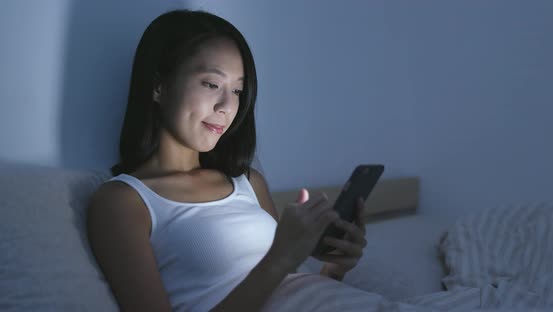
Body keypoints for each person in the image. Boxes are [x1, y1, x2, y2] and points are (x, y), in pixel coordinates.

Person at [86, 9, 368, 312]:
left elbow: (289, 293)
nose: (227, 106)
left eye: (237, 90)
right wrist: (282, 256)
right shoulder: (123, 200)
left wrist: (334, 270)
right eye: (211, 84)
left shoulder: (247, 181)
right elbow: (273, 274)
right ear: (159, 86)